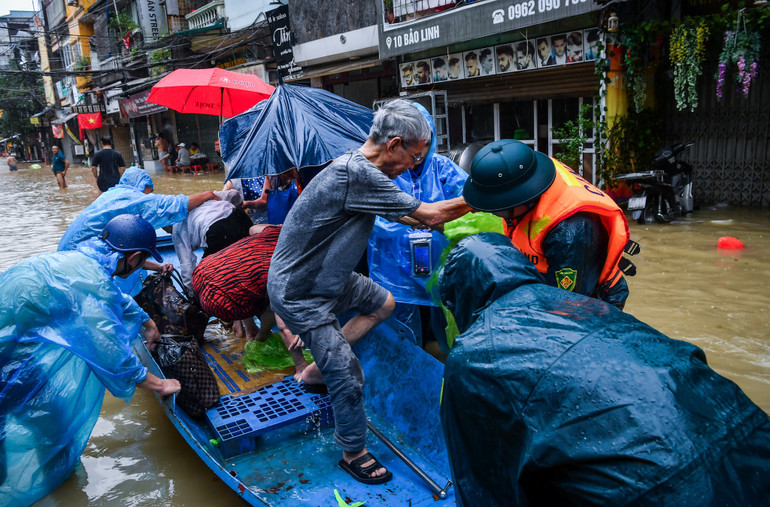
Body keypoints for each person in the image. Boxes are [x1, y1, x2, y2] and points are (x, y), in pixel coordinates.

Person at [438, 233, 770, 506]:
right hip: (753, 441)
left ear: (459, 296)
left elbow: (482, 483)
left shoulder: (474, 353)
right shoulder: (584, 304)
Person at [267, 99, 471, 485]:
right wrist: (485, 197)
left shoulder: (362, 170)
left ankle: (313, 369)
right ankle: (352, 452)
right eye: (414, 156)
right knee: (348, 374)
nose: (414, 165)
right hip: (302, 291)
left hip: (329, 275)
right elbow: (429, 215)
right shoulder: (356, 175)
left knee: (384, 303)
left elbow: (410, 215)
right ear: (394, 145)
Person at [0, 214, 181, 506]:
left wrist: (146, 321)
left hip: (13, 340)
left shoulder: (81, 260)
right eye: (142, 260)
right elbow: (114, 357)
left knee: (43, 413)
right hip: (8, 352)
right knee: (36, 419)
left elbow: (110, 296)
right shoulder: (92, 282)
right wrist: (160, 384)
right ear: (134, 258)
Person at [463, 139, 631, 309]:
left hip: (592, 300)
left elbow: (566, 307)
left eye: (501, 208)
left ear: (523, 197)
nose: (495, 213)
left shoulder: (568, 232)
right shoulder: (534, 174)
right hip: (552, 275)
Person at [368, 102, 467, 357]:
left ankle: (447, 369)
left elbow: (467, 196)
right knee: (398, 330)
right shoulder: (383, 171)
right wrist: (426, 220)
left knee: (446, 322)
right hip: (393, 269)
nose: (415, 160)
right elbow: (375, 217)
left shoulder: (441, 168)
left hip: (437, 265)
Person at [58, 166, 219, 294]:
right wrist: (208, 195)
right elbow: (173, 206)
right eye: (150, 191)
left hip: (66, 263)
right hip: (83, 271)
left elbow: (119, 255)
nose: (151, 196)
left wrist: (157, 267)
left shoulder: (111, 195)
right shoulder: (132, 199)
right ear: (142, 186)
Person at [193, 225, 308, 373]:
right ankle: (260, 335)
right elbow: (283, 325)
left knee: (249, 280)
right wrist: (301, 367)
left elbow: (252, 229)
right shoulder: (288, 268)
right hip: (219, 300)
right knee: (269, 300)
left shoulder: (277, 231)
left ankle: (249, 329)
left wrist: (279, 226)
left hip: (203, 271)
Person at [172, 189, 254, 294]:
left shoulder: (177, 229)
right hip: (241, 218)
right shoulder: (201, 198)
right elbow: (233, 194)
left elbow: (187, 264)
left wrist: (192, 294)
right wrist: (239, 204)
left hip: (218, 232)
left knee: (208, 275)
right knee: (249, 259)